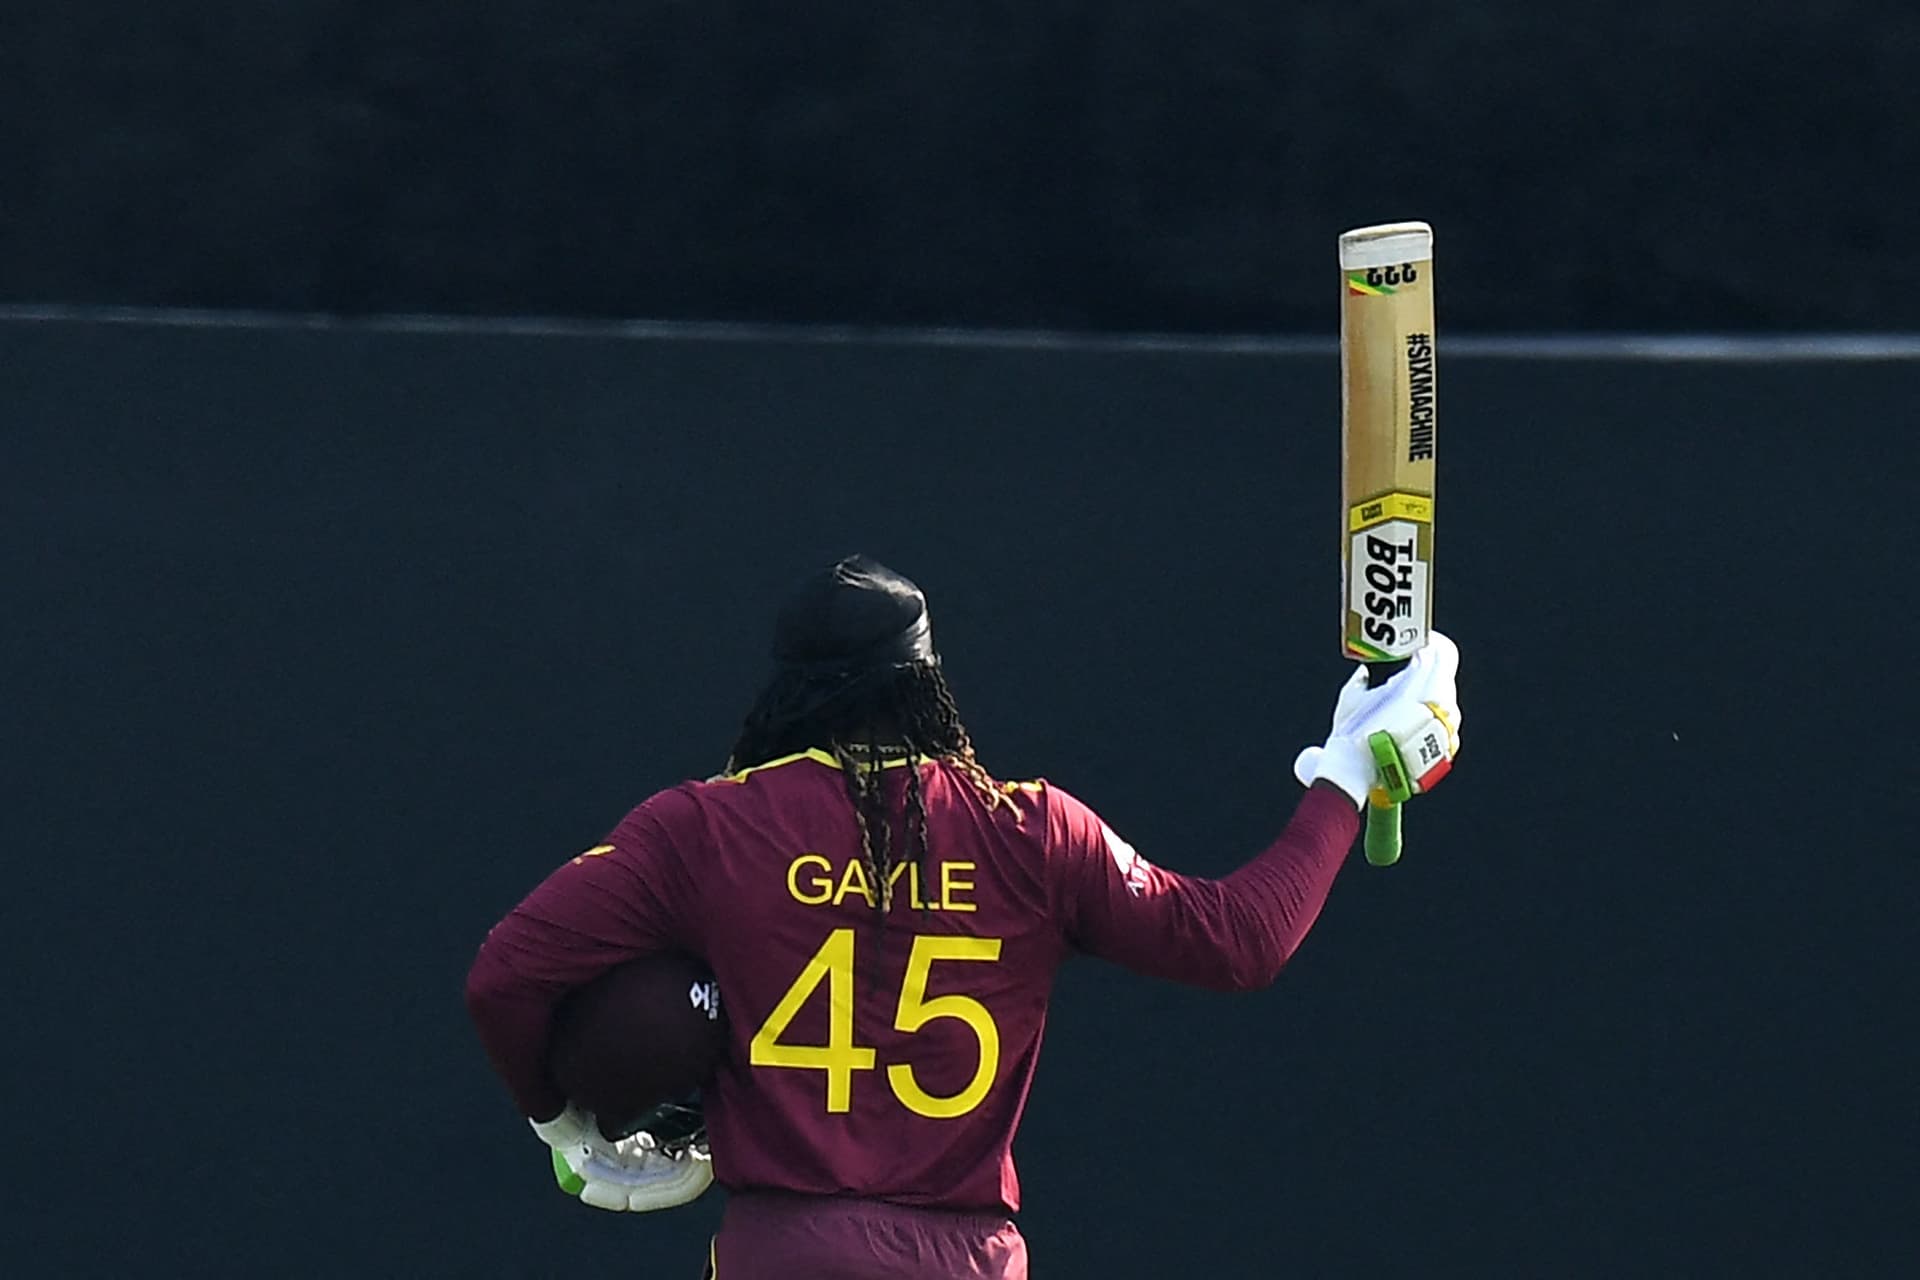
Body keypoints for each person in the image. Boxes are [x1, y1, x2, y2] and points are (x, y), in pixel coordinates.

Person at [466, 554, 1462, 1279]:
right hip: (964, 1258)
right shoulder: (1029, 829)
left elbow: (504, 976)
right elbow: (1245, 938)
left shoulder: (706, 826)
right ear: (930, 680)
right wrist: (1341, 779)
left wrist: (570, 1128)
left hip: (785, 1248)